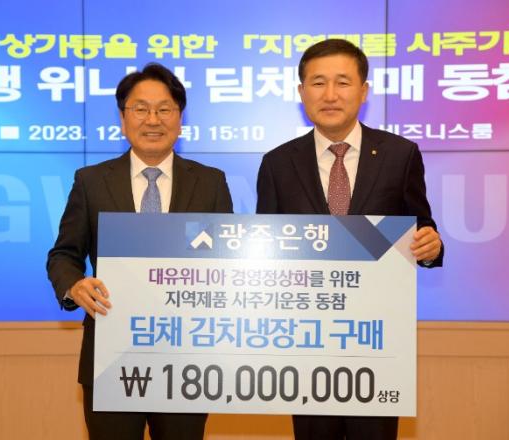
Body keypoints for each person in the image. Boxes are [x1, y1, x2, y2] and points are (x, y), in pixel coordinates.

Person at [256, 39, 443, 440]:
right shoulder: (277, 163)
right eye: (317, 83)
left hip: (376, 339)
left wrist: (431, 246)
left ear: (364, 90)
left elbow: (421, 227)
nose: (330, 94)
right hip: (306, 342)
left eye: (342, 82)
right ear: (301, 92)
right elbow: (267, 251)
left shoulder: (400, 155)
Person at [47, 62, 233, 440]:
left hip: (187, 357)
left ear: (180, 119)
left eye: (164, 109)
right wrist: (75, 285)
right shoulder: (91, 181)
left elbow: (228, 262)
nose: (153, 120)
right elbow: (64, 254)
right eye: (141, 109)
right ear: (122, 118)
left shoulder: (211, 182)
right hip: (111, 352)